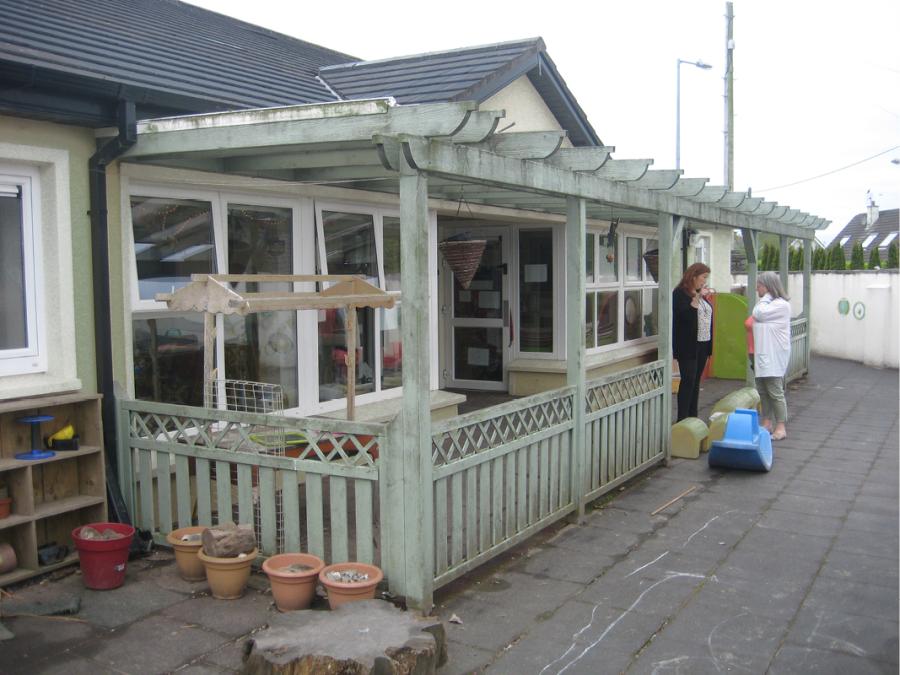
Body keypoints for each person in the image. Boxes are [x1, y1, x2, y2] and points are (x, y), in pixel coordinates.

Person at [751, 271, 792, 440]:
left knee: (775, 392)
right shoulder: (767, 304)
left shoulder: (781, 305)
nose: (756, 289)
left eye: (759, 285)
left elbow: (758, 313)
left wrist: (767, 296)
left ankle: (781, 427)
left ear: (767, 287)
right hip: (763, 354)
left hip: (774, 356)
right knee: (763, 391)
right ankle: (766, 422)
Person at [672, 262, 713, 421]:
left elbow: (707, 319)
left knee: (696, 382)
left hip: (703, 343)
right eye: (703, 277)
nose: (704, 281)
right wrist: (697, 298)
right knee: (688, 380)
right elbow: (686, 318)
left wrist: (701, 296)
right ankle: (682, 419)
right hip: (688, 345)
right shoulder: (680, 294)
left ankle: (693, 417)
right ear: (693, 276)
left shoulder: (698, 294)